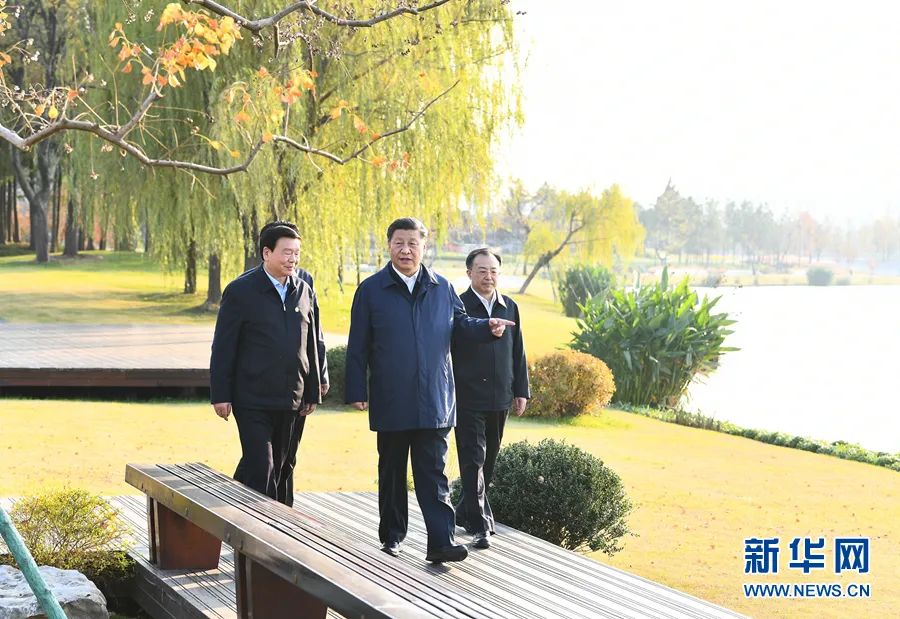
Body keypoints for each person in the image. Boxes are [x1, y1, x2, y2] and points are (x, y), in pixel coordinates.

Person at [345, 217, 514, 564]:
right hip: (392, 398)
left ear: (424, 247)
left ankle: (441, 542)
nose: (406, 250)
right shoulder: (372, 290)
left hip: (435, 399)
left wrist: (487, 327)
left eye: (413, 243)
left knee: (435, 475)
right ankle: (392, 536)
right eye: (399, 243)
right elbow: (357, 344)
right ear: (389, 246)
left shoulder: (442, 288)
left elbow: (461, 324)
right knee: (392, 472)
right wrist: (356, 388)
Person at [210, 222, 323, 505]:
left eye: (296, 253)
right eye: (286, 252)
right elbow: (223, 346)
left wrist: (313, 391)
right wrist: (221, 394)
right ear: (266, 253)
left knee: (283, 466)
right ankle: (261, 529)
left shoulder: (304, 291)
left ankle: (268, 518)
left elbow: (311, 344)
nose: (292, 259)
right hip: (252, 398)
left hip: (292, 398)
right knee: (262, 467)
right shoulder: (241, 291)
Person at [452, 248, 529, 549]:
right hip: (467, 397)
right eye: (482, 270)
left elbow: (518, 351)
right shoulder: (458, 305)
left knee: (488, 462)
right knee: (473, 461)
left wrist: (521, 390)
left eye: (493, 270)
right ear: (469, 272)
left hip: (500, 396)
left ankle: (462, 512)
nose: (488, 276)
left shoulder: (510, 306)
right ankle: (480, 525)